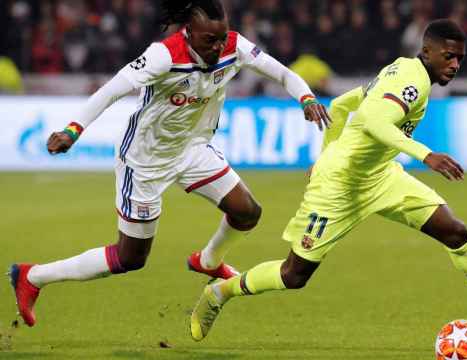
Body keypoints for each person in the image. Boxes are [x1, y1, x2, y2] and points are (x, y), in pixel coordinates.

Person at [189, 19, 467, 342]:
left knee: (455, 232)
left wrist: (322, 155)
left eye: (460, 58)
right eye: (448, 56)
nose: (455, 64)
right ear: (426, 51)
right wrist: (424, 154)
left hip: (381, 177)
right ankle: (220, 292)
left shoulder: (398, 71)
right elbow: (373, 123)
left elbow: (340, 107)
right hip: (340, 186)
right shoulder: (410, 83)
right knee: (294, 275)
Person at [8, 0, 331, 328]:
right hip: (145, 161)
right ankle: (33, 276)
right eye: (210, 40)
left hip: (193, 151)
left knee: (247, 211)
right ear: (189, 32)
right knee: (130, 258)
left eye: (221, 38)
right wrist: (72, 130)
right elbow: (111, 90)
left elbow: (282, 73)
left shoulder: (234, 45)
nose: (219, 47)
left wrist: (306, 98)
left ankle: (208, 261)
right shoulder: (164, 55)